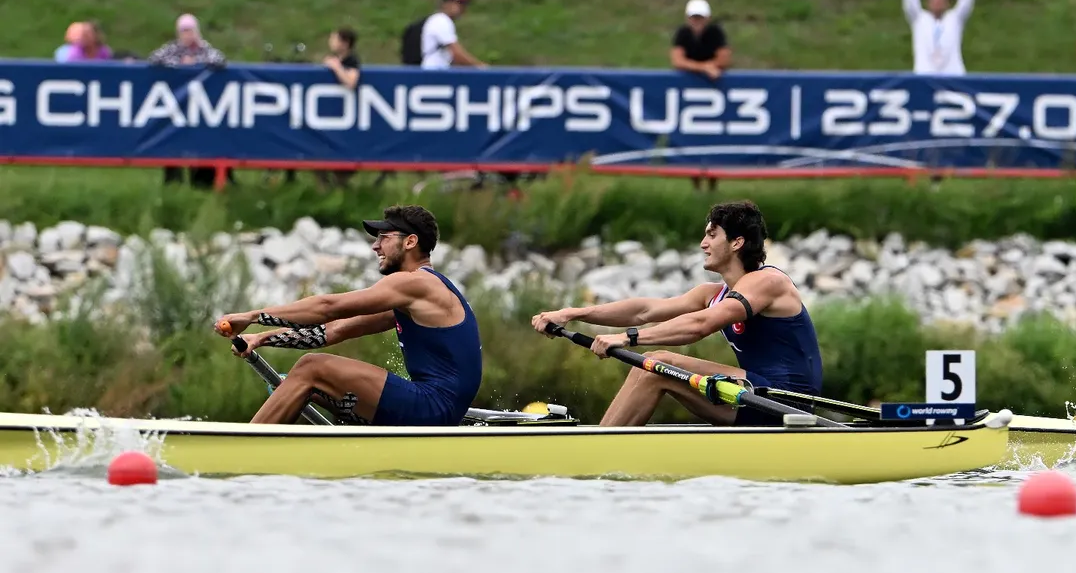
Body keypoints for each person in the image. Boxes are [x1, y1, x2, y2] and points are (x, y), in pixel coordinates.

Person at [531, 200, 822, 427]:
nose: (702, 243)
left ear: (737, 242)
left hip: (785, 401)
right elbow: (645, 310)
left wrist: (628, 339)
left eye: (712, 234)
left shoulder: (768, 282)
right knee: (651, 369)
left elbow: (701, 325)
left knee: (657, 363)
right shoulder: (712, 294)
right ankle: (600, 442)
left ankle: (593, 452)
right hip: (752, 396)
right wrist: (572, 313)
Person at [213, 205, 483, 426]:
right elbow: (335, 330)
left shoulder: (416, 283)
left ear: (410, 241)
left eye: (384, 238)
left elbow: (328, 307)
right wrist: (261, 338)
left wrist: (252, 315)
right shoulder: (413, 299)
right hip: (435, 409)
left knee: (311, 367)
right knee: (308, 382)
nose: (375, 247)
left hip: (433, 407)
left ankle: (243, 446)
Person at [901, 0, 976, 75]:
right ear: (928, 3)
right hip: (924, 75)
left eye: (941, 1)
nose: (937, 3)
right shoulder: (919, 18)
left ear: (947, 3)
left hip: (953, 75)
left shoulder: (955, 18)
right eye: (934, 0)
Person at [669, 0, 731, 81]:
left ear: (708, 18)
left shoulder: (715, 33)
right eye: (694, 18)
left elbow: (724, 60)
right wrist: (704, 67)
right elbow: (678, 61)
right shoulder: (682, 33)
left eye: (700, 18)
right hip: (687, 80)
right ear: (687, 19)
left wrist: (708, 66)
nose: (697, 21)